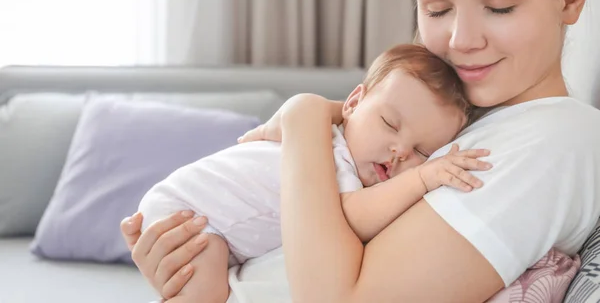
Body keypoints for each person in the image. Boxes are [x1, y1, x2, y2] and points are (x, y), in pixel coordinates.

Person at [121, 0, 600, 301]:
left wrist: (304, 114)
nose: (460, 39)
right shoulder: (464, 125)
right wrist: (189, 266)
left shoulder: (555, 138)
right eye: (436, 8)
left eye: (499, 7)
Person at [134, 44, 490, 302]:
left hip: (217, 228)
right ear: (352, 104)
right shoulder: (332, 156)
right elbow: (352, 217)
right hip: (190, 212)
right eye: (388, 124)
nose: (400, 151)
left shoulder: (326, 141)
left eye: (423, 153)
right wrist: (423, 176)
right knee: (207, 295)